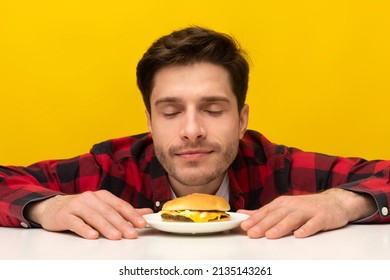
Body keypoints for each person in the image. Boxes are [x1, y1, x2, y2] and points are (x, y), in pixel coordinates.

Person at [1, 26, 390, 241]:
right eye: (171, 112)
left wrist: (341, 203)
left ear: (242, 120)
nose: (192, 131)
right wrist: (46, 207)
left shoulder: (277, 167)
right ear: (150, 122)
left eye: (213, 109)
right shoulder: (114, 168)